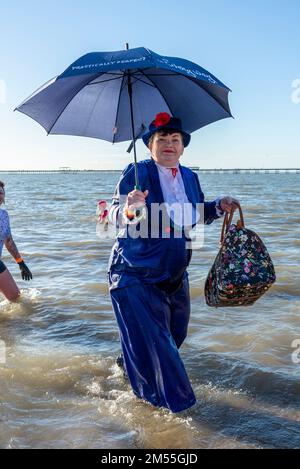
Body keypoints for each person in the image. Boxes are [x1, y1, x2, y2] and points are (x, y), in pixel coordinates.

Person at [107, 112, 239, 413]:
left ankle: (127, 364)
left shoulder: (191, 177)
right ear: (150, 145)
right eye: (161, 139)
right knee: (161, 348)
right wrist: (129, 210)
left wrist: (218, 206)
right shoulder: (136, 172)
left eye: (174, 139)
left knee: (174, 337)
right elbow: (110, 214)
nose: (169, 144)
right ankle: (177, 413)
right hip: (134, 273)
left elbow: (193, 215)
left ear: (183, 146)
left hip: (175, 275)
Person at [0, 180, 32, 301]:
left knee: (16, 297)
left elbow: (9, 241)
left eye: (1, 192)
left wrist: (21, 263)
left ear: (4, 197)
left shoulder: (4, 215)